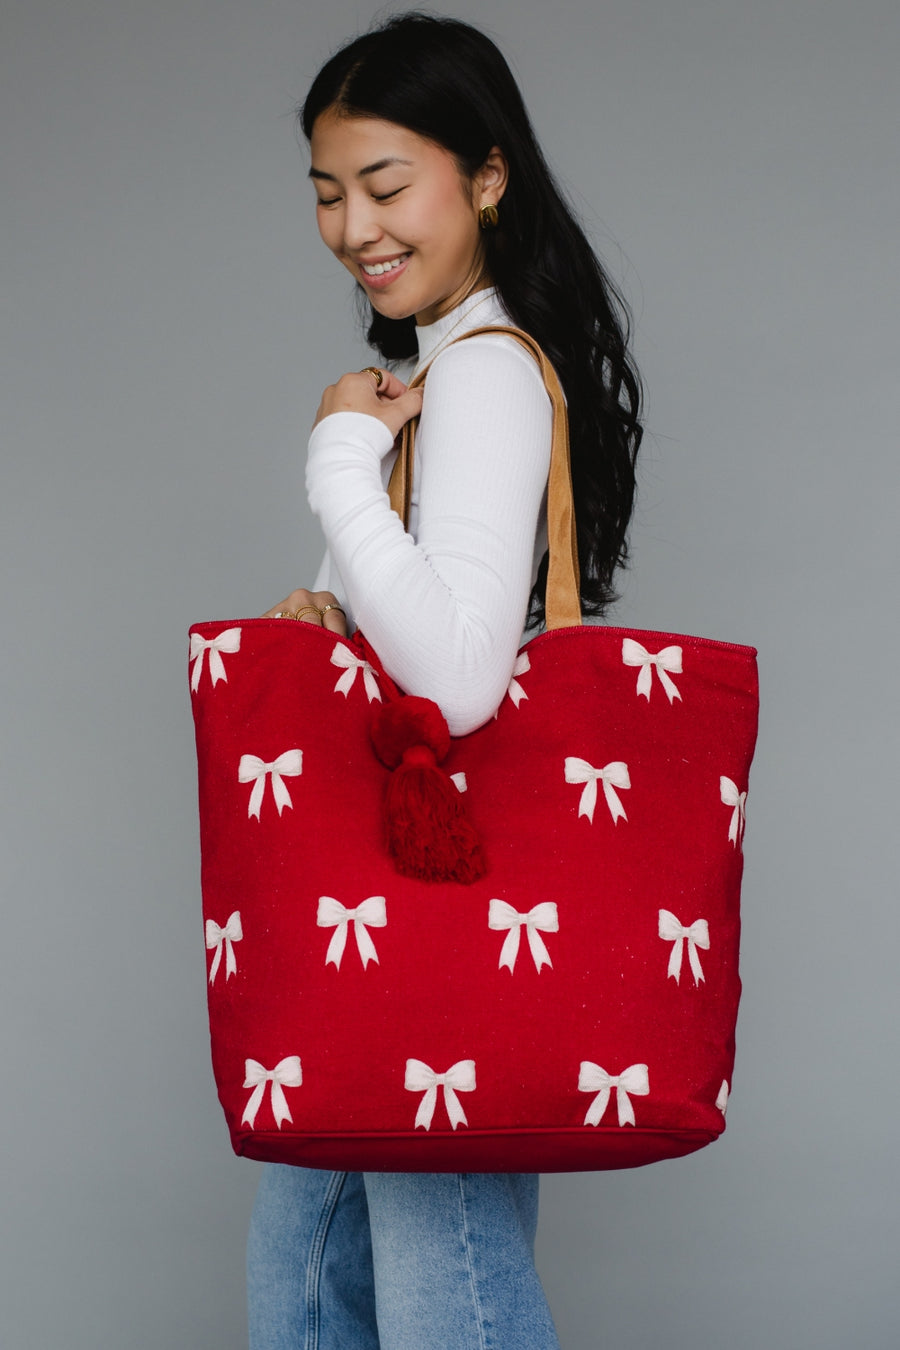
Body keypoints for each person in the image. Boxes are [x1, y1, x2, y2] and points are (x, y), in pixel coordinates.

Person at [252, 12, 642, 1348]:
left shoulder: (480, 376)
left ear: (485, 178)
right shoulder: (430, 384)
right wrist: (331, 603)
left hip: (428, 922)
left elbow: (464, 679)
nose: (353, 225)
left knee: (438, 1287)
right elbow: (412, 634)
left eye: (383, 184)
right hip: (380, 913)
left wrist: (335, 462)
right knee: (320, 1280)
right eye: (324, 193)